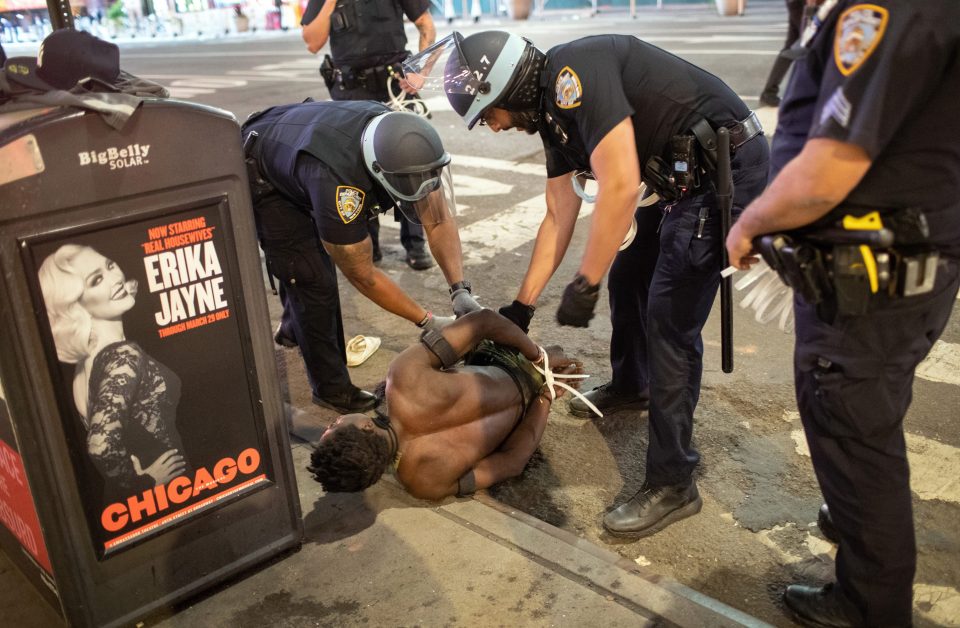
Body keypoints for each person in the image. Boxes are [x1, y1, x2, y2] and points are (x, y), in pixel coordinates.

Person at [405, 31, 769, 537]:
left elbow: (619, 185)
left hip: (722, 174)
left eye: (489, 114)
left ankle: (674, 482)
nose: (491, 127)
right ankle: (633, 383)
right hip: (681, 177)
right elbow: (558, 215)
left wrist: (585, 280)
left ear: (509, 90)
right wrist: (521, 308)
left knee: (669, 324)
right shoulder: (555, 120)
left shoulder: (574, 77)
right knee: (630, 279)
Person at [726, 2, 960, 625]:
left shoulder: (887, 9)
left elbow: (831, 168)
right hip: (893, 273)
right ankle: (855, 515)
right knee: (865, 409)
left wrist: (750, 221)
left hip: (871, 285)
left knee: (851, 421)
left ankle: (870, 603)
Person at [242, 99, 481, 415]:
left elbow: (436, 220)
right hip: (267, 166)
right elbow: (363, 274)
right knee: (310, 276)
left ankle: (294, 329)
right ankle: (332, 389)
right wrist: (428, 321)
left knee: (308, 274)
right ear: (379, 172)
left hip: (300, 136)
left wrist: (459, 290)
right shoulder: (338, 184)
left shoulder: (404, 143)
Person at [308, 308, 584, 499]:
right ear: (367, 426)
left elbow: (512, 463)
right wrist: (538, 357)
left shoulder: (423, 482)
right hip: (507, 363)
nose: (336, 419)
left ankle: (544, 374)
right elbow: (483, 321)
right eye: (333, 424)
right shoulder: (404, 378)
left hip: (528, 408)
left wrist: (546, 395)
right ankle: (541, 356)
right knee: (462, 321)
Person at [38, 244, 187, 502]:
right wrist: (146, 482)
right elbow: (101, 444)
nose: (116, 278)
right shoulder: (122, 356)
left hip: (134, 505)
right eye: (96, 280)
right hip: (167, 495)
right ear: (75, 304)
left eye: (110, 265)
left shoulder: (87, 363)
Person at [301, 0, 437, 271]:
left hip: (394, 89)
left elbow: (426, 26)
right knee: (354, 170)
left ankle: (414, 242)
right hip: (350, 92)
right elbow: (312, 42)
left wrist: (420, 72)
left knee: (408, 163)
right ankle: (368, 242)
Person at [758, 0, 806, 108]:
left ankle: (769, 92)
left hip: (798, 3)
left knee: (791, 47)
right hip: (804, 4)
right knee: (811, 43)